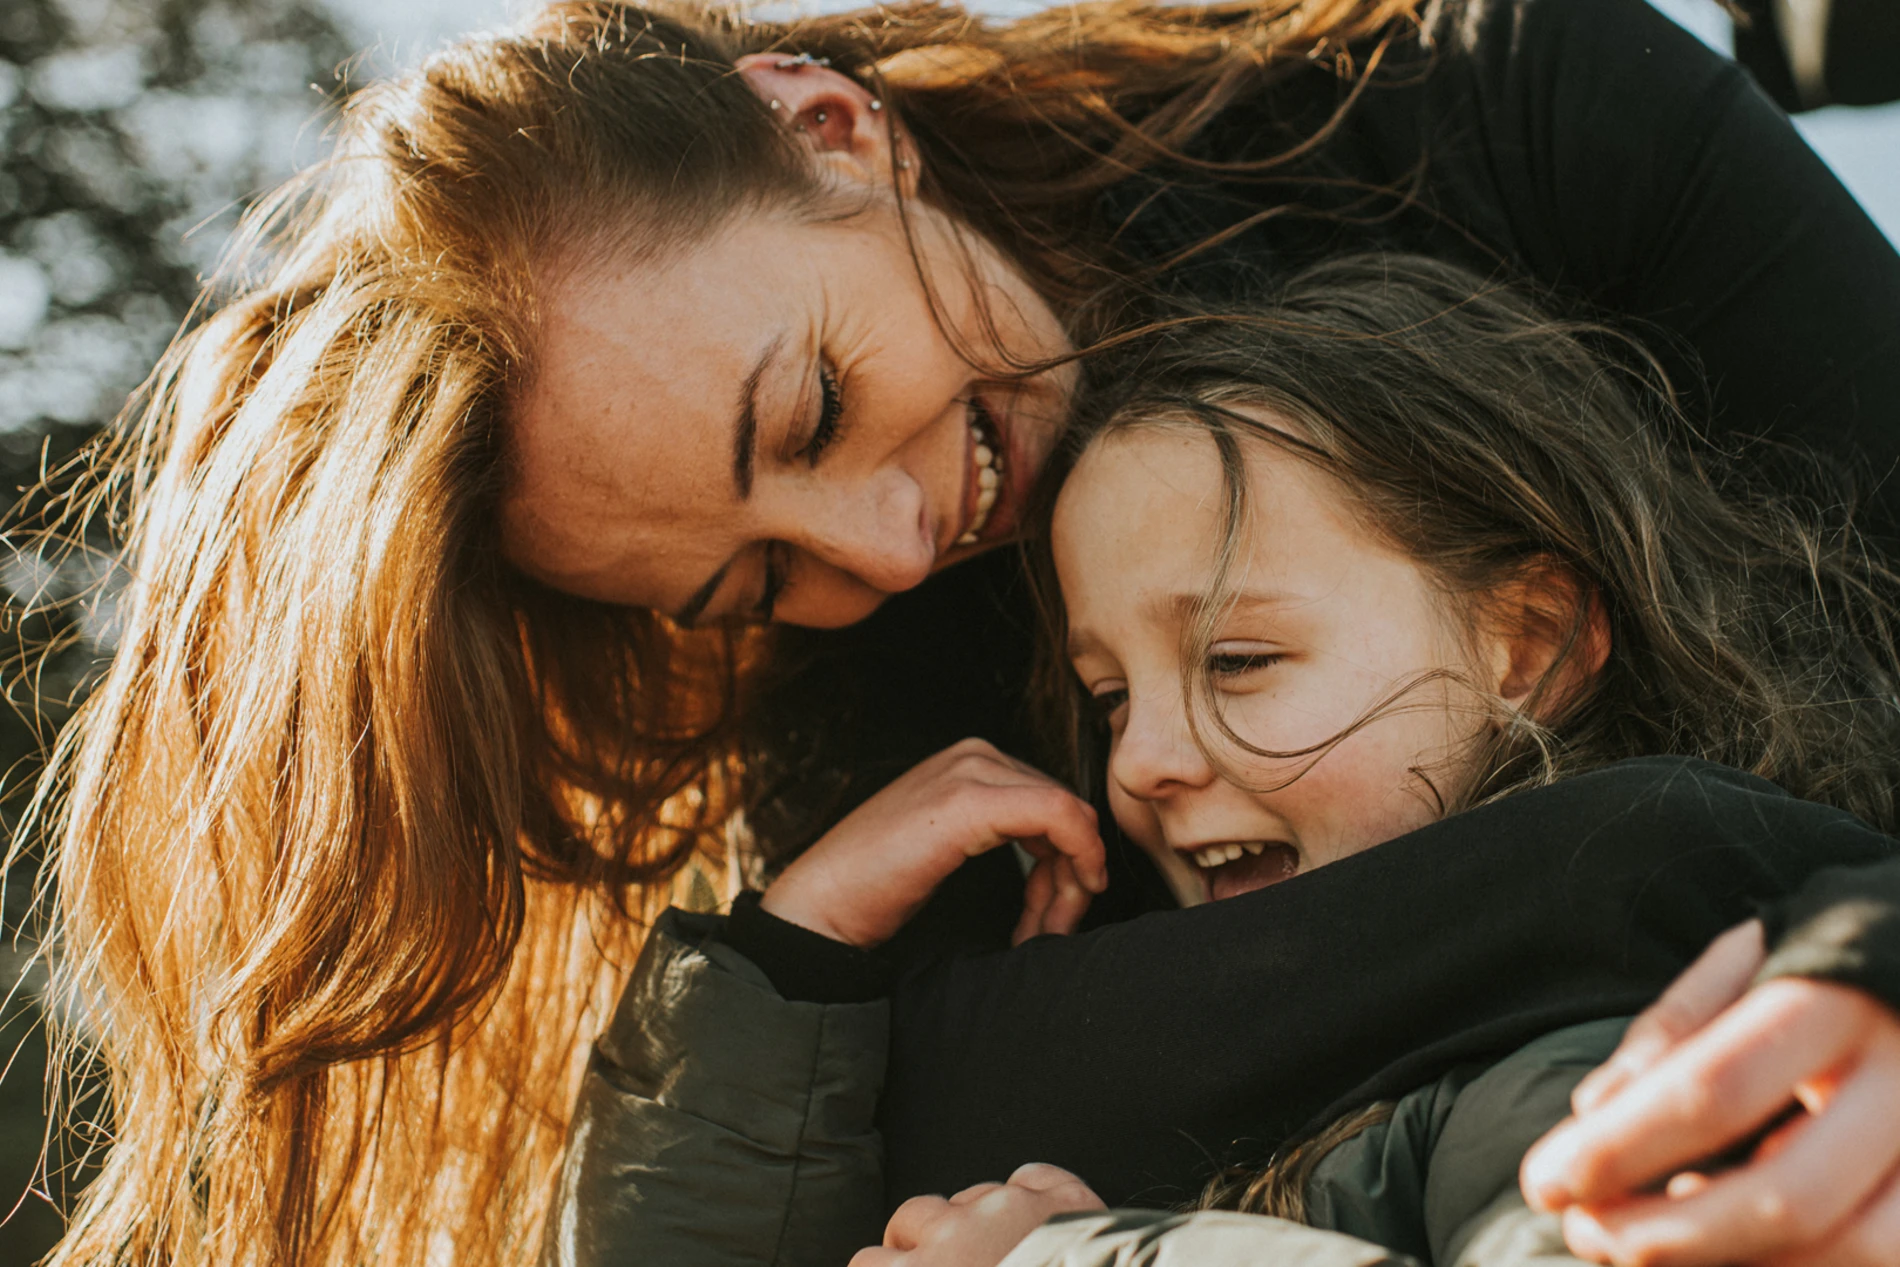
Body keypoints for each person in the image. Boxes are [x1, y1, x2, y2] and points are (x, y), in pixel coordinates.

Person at [16, 0, 1900, 1262]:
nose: (893, 544)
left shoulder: (1506, 108)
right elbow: (966, 1096)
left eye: (810, 410)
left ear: (834, 130)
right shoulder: (862, 673)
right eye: (749, 581)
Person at [550, 257, 1900, 1267]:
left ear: (1529, 646)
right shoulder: (1233, 1083)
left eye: (1241, 662)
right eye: (1105, 696)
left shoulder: (1623, 1036)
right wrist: (795, 957)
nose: (1142, 759)